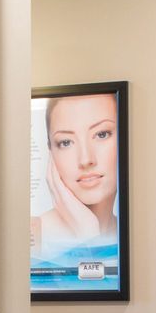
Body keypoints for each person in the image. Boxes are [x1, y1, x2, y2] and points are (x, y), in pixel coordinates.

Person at [31, 93, 120, 261]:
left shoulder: (133, 231)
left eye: (102, 134)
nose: (86, 160)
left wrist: (88, 233)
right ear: (51, 153)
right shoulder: (31, 236)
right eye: (65, 142)